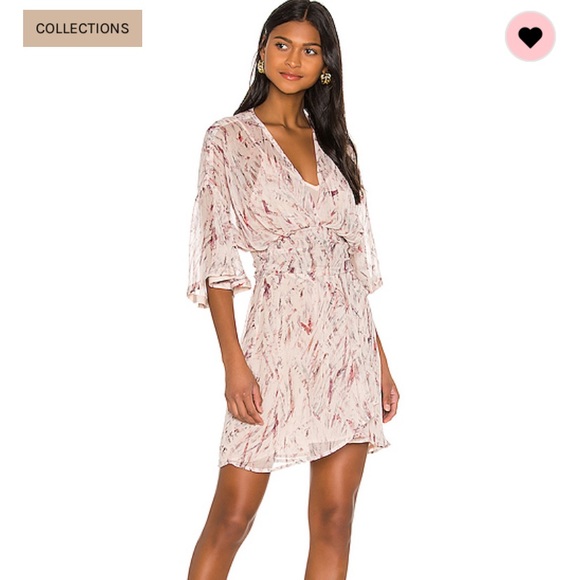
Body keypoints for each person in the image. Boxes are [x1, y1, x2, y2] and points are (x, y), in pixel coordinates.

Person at [186, 1, 399, 578]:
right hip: (274, 344)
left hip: (348, 351)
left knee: (335, 518)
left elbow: (351, 268)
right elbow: (216, 256)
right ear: (262, 51)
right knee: (232, 517)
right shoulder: (229, 138)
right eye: (282, 44)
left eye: (310, 50)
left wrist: (379, 361)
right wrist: (234, 363)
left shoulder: (337, 146)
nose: (293, 60)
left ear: (325, 65)